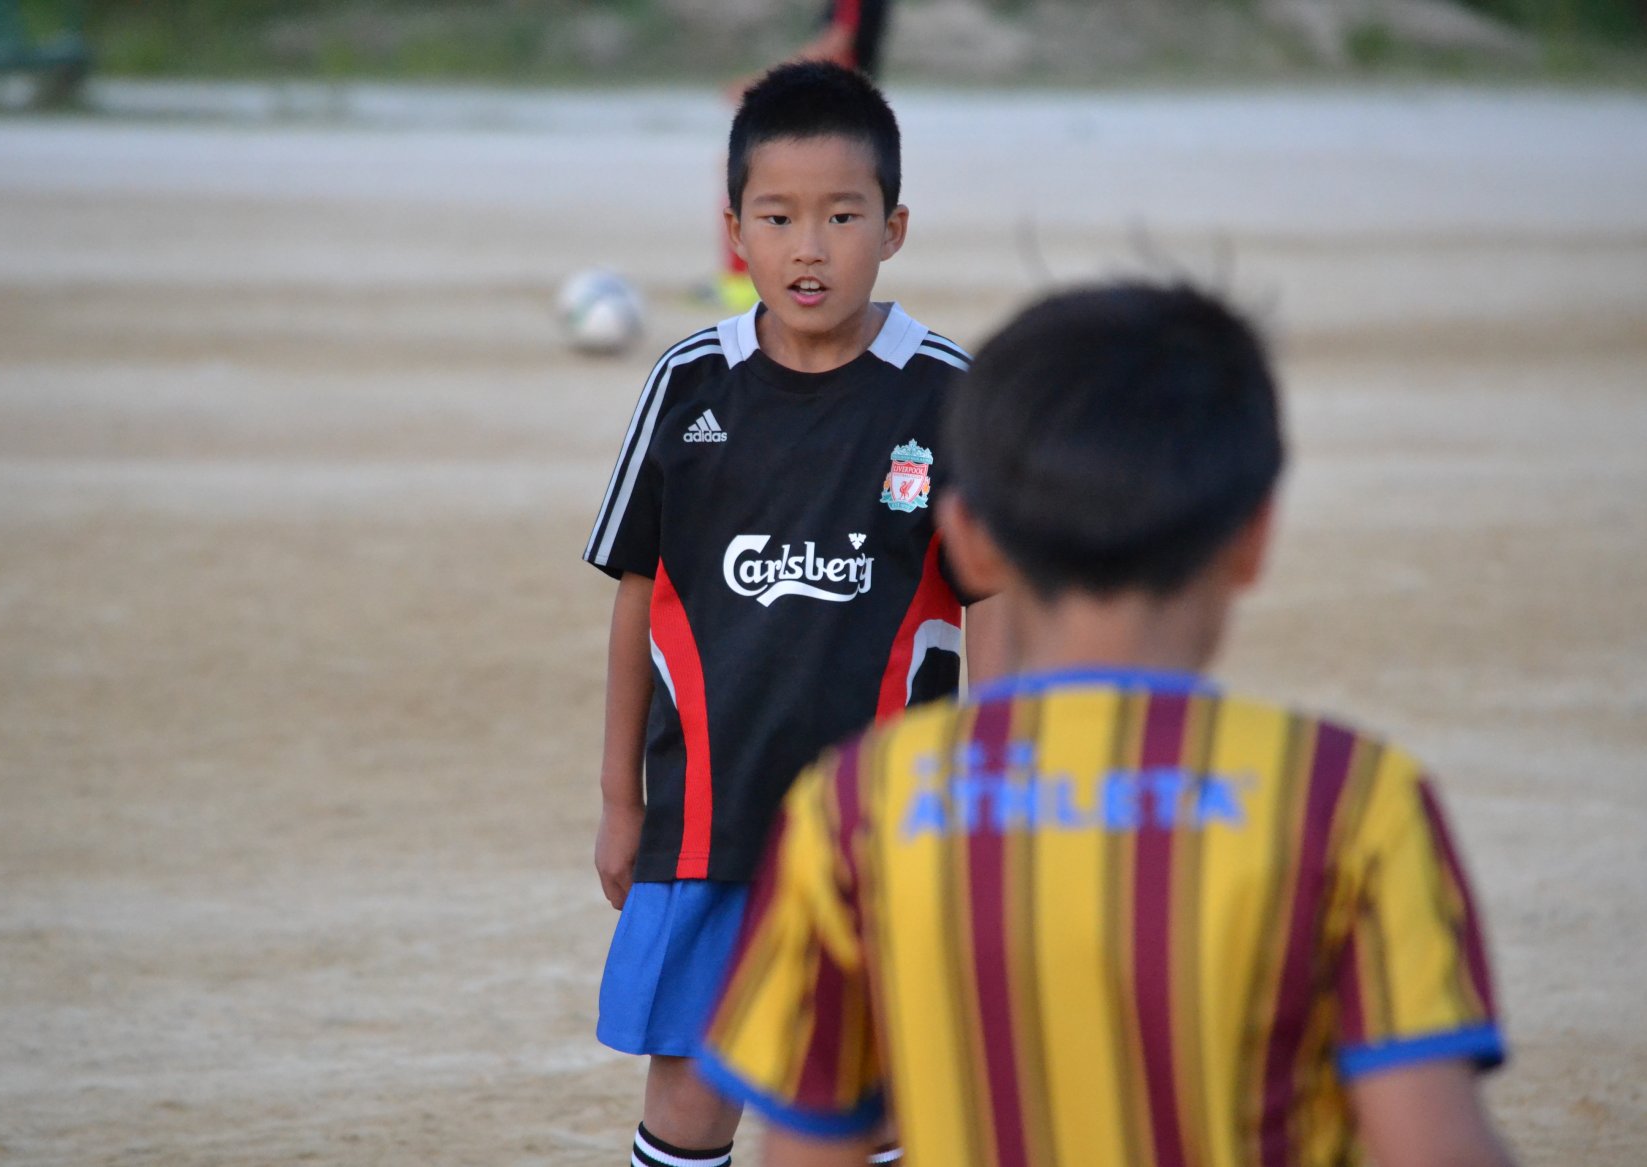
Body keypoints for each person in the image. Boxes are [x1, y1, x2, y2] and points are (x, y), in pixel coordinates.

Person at [700, 282, 1518, 1167]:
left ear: (969, 540)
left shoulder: (855, 804)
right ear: (1252, 537)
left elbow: (809, 1149)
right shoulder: (1348, 798)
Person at [582, 61, 999, 1167]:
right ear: (735, 231)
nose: (807, 247)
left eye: (840, 216)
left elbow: (995, 612)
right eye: (776, 217)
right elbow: (637, 600)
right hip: (704, 824)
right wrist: (619, 799)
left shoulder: (944, 395)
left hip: (885, 834)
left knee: (867, 1106)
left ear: (894, 227)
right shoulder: (687, 385)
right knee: (687, 1102)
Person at [713, 2, 896, 313]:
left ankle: (739, 284)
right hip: (850, 98)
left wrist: (766, 85)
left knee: (748, 171)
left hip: (830, 102)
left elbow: (839, 41)